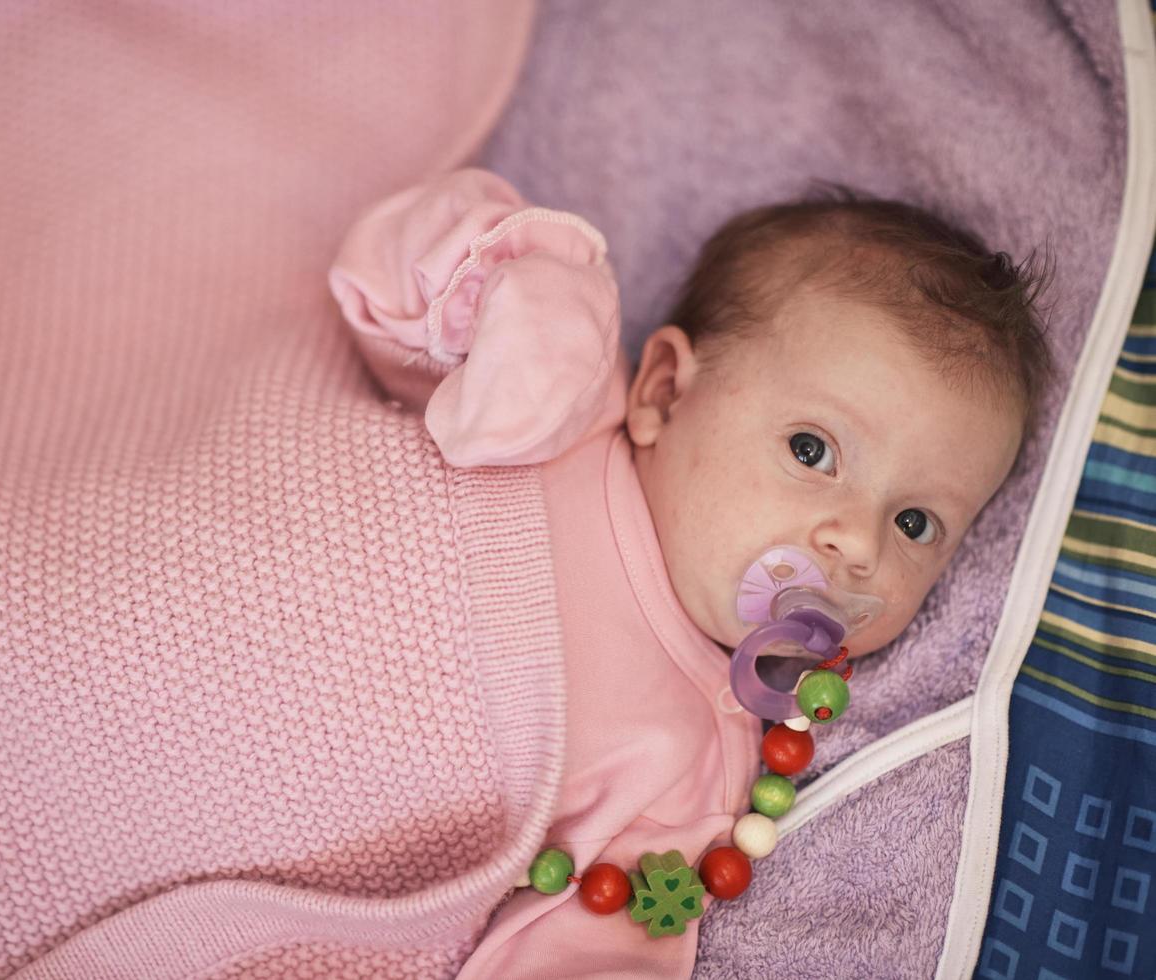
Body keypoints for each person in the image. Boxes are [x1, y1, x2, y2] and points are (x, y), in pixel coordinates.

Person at [328, 168, 1050, 978]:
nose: (856, 543)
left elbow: (587, 947)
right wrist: (521, 299)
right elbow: (380, 283)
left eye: (913, 522)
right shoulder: (565, 406)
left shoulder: (695, 768)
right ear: (665, 394)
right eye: (811, 451)